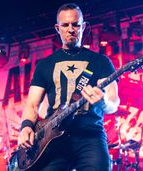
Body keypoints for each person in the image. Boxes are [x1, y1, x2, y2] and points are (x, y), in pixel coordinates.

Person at [17, 3, 120, 171]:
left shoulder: (100, 62)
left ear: (83, 26)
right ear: (57, 28)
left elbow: (113, 102)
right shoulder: (44, 65)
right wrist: (26, 126)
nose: (71, 29)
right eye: (65, 25)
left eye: (75, 24)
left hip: (90, 134)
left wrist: (103, 103)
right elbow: (32, 104)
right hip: (53, 138)